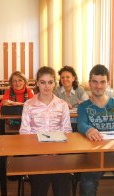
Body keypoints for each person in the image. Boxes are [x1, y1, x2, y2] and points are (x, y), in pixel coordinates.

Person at [19, 66, 72, 196]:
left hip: (59, 155)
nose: (46, 86)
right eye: (43, 82)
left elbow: (67, 131)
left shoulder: (62, 105)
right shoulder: (29, 105)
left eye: (50, 82)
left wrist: (56, 150)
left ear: (55, 83)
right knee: (38, 190)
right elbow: (24, 132)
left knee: (63, 189)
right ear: (37, 83)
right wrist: (39, 150)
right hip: (37, 156)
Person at [77, 64, 114, 196]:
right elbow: (80, 123)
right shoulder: (83, 107)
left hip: (112, 150)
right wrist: (88, 129)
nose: (98, 86)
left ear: (107, 83)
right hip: (94, 152)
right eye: (95, 82)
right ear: (89, 83)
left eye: (102, 82)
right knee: (87, 182)